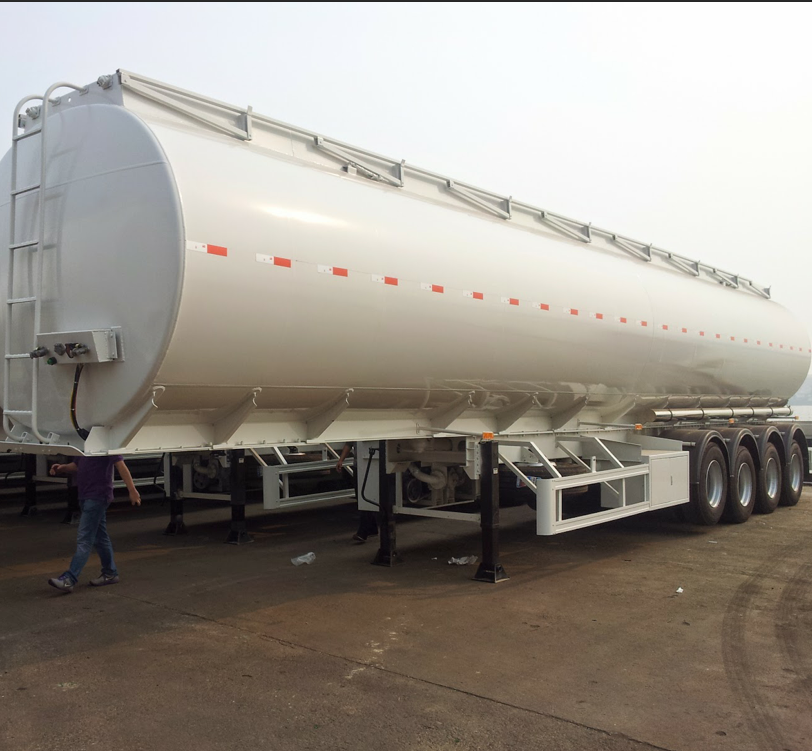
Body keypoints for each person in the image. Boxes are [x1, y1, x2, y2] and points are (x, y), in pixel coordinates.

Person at [47, 455, 141, 593]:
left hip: (97, 497)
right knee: (100, 537)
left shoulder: (106, 445)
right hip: (86, 496)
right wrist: (63, 468)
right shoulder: (86, 447)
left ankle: (69, 579)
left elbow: (121, 465)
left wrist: (132, 490)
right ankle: (110, 573)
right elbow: (78, 465)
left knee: (84, 539)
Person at [336, 442, 378, 544]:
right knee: (362, 497)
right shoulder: (355, 433)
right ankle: (372, 528)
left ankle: (363, 532)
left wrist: (341, 460)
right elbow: (349, 444)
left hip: (370, 464)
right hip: (359, 466)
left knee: (364, 497)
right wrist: (341, 460)